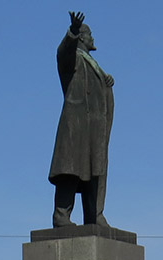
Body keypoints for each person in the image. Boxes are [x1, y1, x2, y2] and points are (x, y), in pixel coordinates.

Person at [49, 11, 114, 228]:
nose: (92, 37)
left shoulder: (93, 65)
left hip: (94, 128)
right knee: (71, 169)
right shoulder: (74, 59)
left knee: (94, 172)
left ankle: (95, 215)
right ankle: (61, 215)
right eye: (89, 34)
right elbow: (62, 54)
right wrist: (73, 32)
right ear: (82, 39)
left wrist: (106, 83)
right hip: (76, 126)